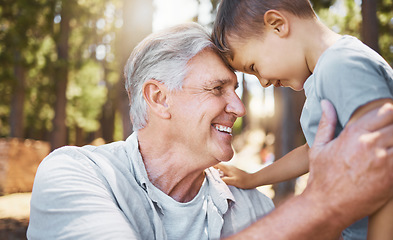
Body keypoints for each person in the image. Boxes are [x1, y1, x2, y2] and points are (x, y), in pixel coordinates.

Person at [26, 22, 393, 240]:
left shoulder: (253, 208)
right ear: (159, 98)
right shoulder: (74, 174)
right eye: (217, 89)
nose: (239, 107)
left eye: (235, 89)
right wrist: (320, 203)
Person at [211, 0, 393, 239]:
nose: (263, 81)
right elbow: (312, 151)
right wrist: (253, 178)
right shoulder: (326, 74)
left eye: (254, 67)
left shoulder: (340, 66)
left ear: (277, 25)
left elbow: (385, 160)